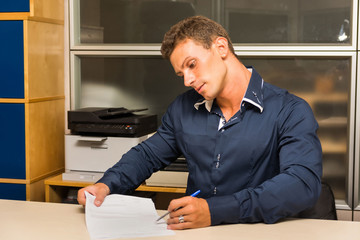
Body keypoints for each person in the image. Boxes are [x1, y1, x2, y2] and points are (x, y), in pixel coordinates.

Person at [77, 15, 322, 230]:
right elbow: (147, 155)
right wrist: (106, 185)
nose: (188, 80)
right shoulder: (183, 108)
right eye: (181, 73)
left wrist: (214, 210)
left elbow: (302, 184)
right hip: (195, 234)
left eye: (192, 65)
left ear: (221, 47)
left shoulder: (290, 110)